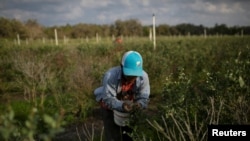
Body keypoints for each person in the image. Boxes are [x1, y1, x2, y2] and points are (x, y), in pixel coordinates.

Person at [94, 50, 150, 141]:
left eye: (135, 75)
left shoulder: (143, 77)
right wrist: (122, 105)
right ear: (121, 67)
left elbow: (144, 98)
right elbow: (108, 99)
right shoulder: (110, 76)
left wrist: (139, 105)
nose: (132, 78)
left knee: (130, 135)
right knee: (112, 135)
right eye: (129, 75)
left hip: (129, 105)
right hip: (109, 106)